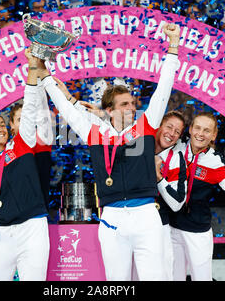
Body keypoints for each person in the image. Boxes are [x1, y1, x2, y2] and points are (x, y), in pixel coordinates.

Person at [42, 22, 181, 281]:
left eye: (132, 102)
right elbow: (66, 107)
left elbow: (164, 88)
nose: (132, 107)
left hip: (146, 216)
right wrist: (44, 75)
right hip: (112, 219)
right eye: (124, 104)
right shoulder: (95, 133)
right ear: (109, 110)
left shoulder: (146, 125)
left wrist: (173, 45)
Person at [0, 48, 52, 281]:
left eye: (2, 124)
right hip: (1, 233)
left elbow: (29, 108)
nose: (0, 128)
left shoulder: (21, 144)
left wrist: (32, 67)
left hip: (33, 228)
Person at [169, 112, 225, 281]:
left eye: (206, 130)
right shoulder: (175, 149)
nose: (200, 133)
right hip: (171, 228)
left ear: (213, 135)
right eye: (197, 128)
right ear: (190, 129)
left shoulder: (214, 162)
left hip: (197, 231)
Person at [154, 111, 187, 281]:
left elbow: (176, 204)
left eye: (177, 131)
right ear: (159, 125)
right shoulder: (137, 147)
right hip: (131, 222)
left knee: (163, 274)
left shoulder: (176, 159)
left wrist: (159, 176)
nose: (171, 134)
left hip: (160, 225)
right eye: (169, 127)